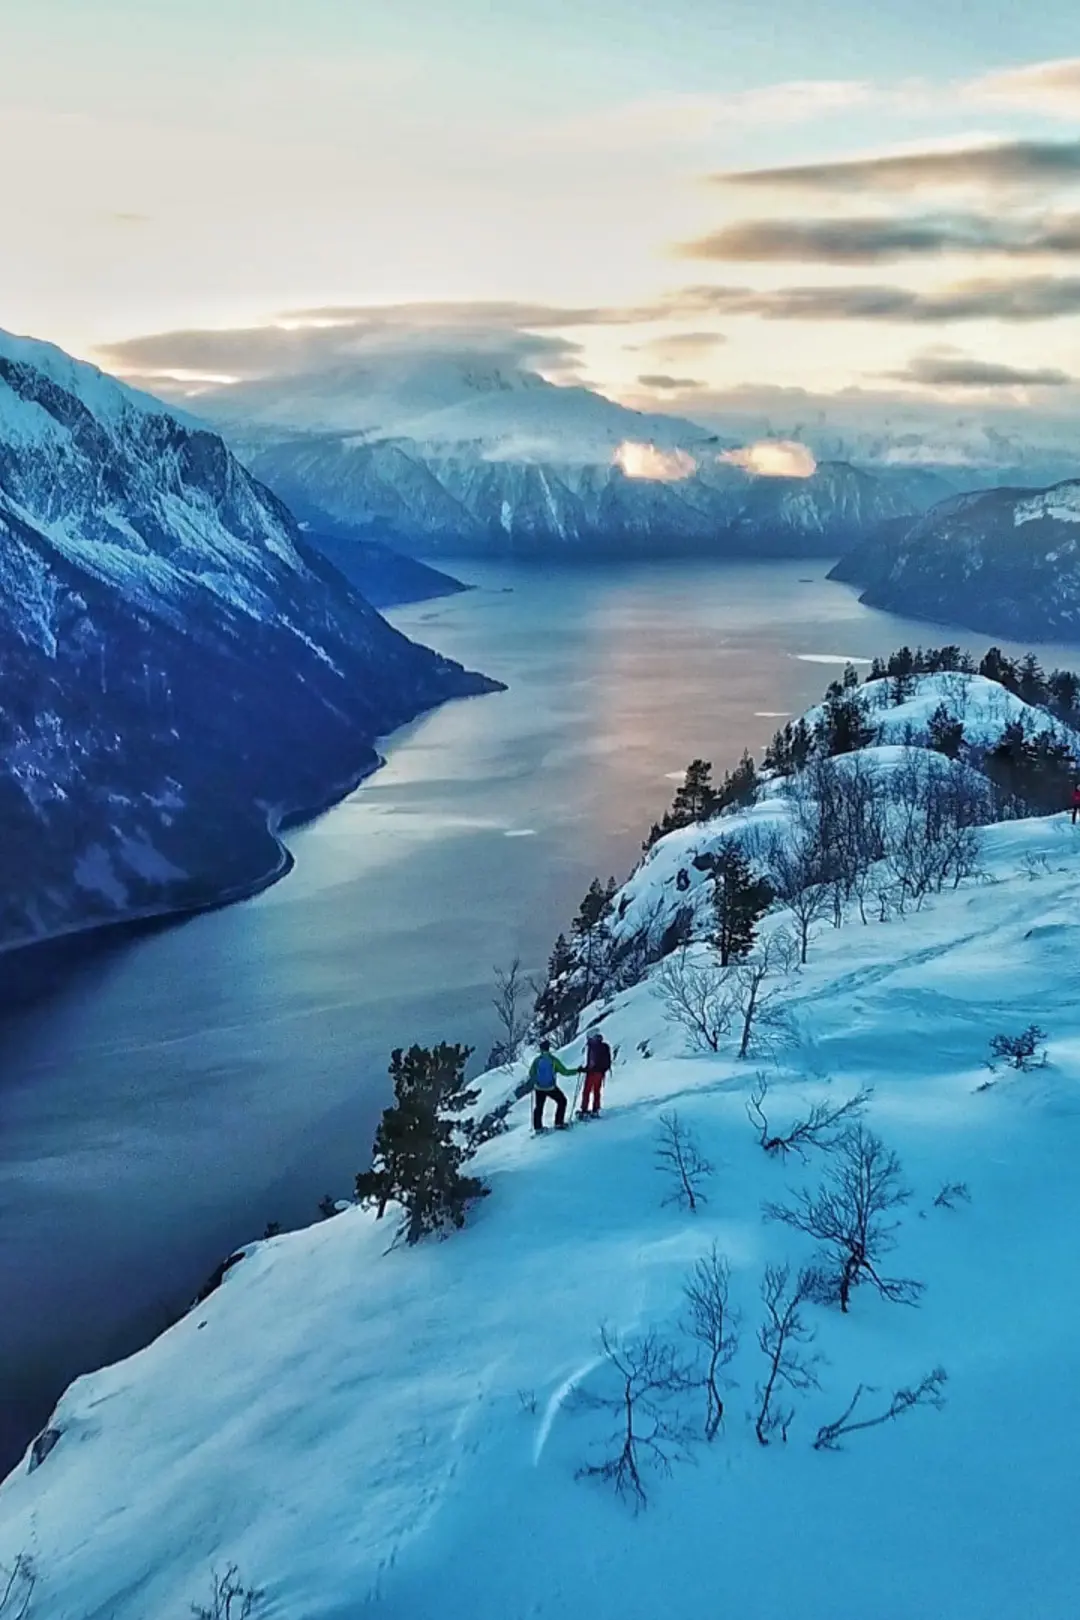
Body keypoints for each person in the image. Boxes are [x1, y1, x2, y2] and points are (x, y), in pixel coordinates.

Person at [529, 1039, 578, 1132]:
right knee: (562, 1101)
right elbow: (565, 1072)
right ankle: (559, 1123)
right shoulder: (553, 1060)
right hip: (550, 1087)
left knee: (539, 1107)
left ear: (541, 1049)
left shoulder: (537, 1060)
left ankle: (538, 1127)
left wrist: (536, 1081)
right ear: (548, 1048)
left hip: (539, 1088)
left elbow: (531, 1073)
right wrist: (577, 1070)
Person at [579, 1026, 613, 1118]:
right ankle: (595, 1109)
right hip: (600, 1073)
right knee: (596, 1091)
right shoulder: (603, 1046)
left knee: (587, 1091)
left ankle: (584, 1110)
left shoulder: (593, 1047)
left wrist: (585, 1069)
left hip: (592, 1073)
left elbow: (592, 1062)